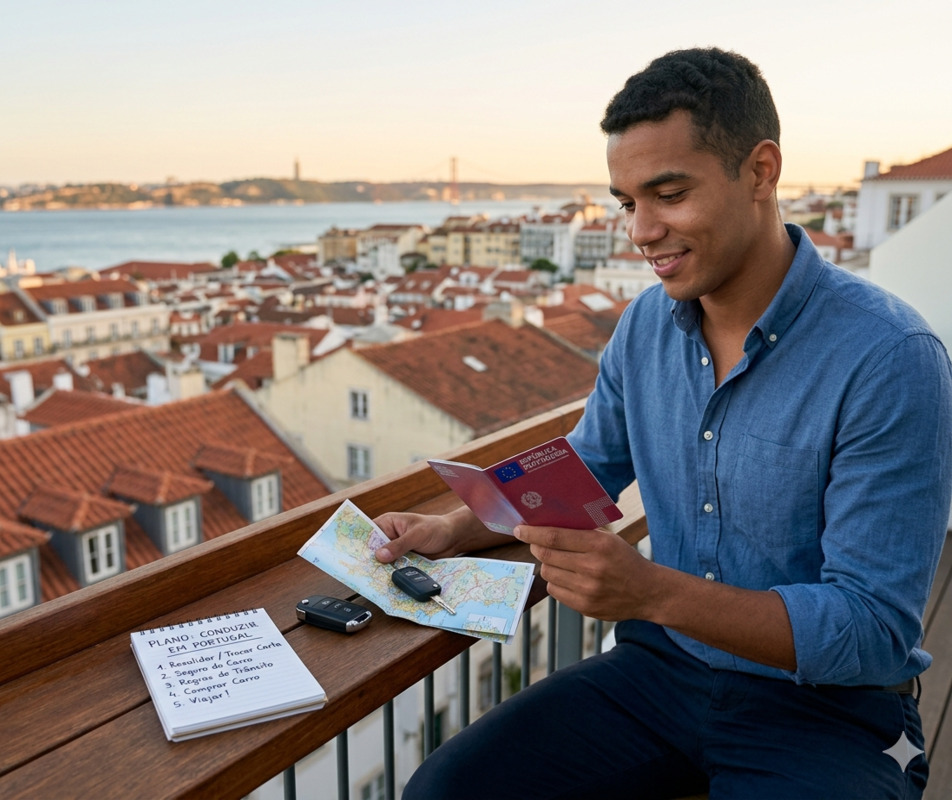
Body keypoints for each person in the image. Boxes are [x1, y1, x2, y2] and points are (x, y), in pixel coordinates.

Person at [374, 47, 952, 799]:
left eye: (669, 193)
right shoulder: (646, 324)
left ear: (760, 171)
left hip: (828, 709)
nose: (641, 231)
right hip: (660, 675)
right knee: (443, 792)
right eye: (625, 202)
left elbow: (874, 630)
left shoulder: (890, 357)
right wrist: (453, 528)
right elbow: (583, 467)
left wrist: (650, 594)